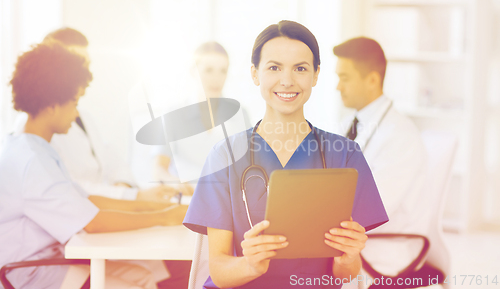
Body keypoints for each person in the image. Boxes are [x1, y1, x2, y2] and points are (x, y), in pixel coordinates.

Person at [183, 21, 389, 289]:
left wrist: (348, 257)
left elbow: (347, 275)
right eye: (274, 67)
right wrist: (249, 265)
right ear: (255, 74)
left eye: (300, 68)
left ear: (315, 75)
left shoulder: (346, 155)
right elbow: (220, 271)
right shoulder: (225, 156)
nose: (287, 80)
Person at [0, 41, 188, 289]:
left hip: (53, 259)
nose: (76, 112)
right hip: (33, 273)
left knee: (143, 276)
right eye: (75, 102)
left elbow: (88, 201)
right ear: (52, 105)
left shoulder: (34, 149)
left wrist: (152, 206)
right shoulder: (32, 161)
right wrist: (163, 217)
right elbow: (93, 222)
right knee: (140, 283)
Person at [13, 27, 177, 201]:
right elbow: (68, 186)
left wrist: (124, 189)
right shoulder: (35, 128)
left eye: (86, 64)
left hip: (102, 207)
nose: (84, 73)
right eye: (76, 63)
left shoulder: (83, 117)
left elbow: (112, 161)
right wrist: (131, 197)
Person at [333, 37, 432, 282]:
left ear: (373, 80)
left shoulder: (400, 136)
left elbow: (370, 210)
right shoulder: (349, 124)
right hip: (354, 241)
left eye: (344, 78)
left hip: (383, 250)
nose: (338, 87)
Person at [154, 41, 250, 194]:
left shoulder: (240, 114)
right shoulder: (172, 117)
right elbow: (159, 170)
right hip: (187, 199)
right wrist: (175, 184)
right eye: (209, 70)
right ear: (193, 71)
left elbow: (247, 167)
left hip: (227, 199)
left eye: (223, 71)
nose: (216, 78)